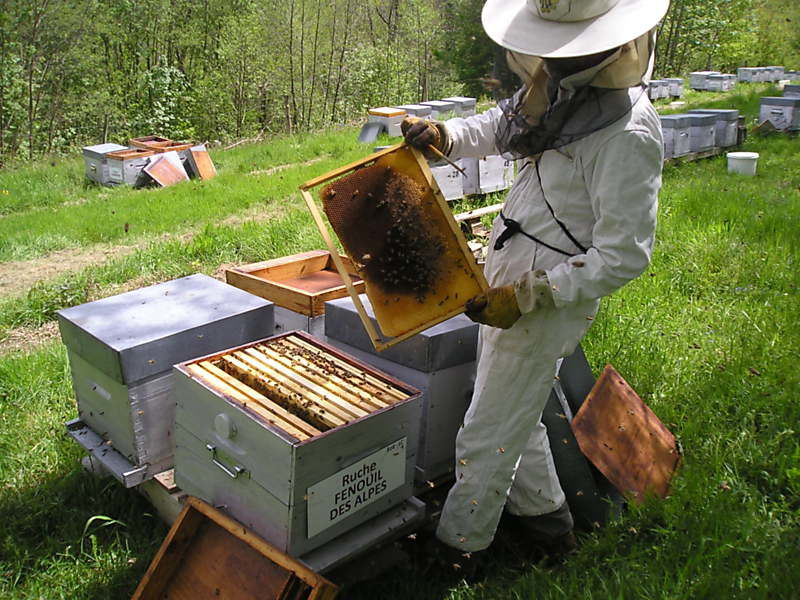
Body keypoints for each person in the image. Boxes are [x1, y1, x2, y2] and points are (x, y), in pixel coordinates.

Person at [402, 0, 669, 574]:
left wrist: (528, 295)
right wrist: (445, 134)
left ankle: (457, 551)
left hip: (544, 300)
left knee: (486, 430)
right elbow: (503, 124)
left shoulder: (629, 134)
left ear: (604, 50)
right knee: (513, 415)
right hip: (510, 279)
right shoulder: (561, 90)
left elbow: (624, 255)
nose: (548, 64)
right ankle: (550, 527)